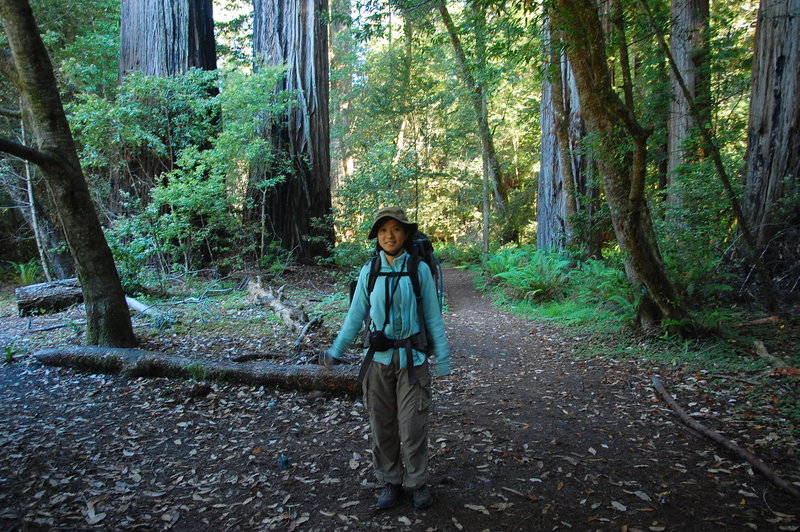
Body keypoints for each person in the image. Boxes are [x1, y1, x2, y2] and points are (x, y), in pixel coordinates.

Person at [321, 206, 451, 510]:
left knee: (413, 427)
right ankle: (391, 482)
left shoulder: (419, 270)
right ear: (376, 236)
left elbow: (433, 317)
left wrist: (442, 359)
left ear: (405, 234)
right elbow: (354, 317)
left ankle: (417, 483)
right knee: (382, 426)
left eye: (395, 229)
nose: (389, 235)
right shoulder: (370, 270)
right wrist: (335, 351)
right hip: (378, 361)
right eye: (382, 230)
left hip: (413, 360)